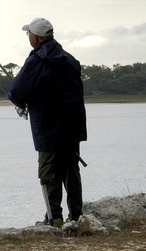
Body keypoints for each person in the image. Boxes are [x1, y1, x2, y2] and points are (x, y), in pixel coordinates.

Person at [8, 16, 87, 228]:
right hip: (72, 126)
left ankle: (54, 218)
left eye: (28, 34)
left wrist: (22, 102)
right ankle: (77, 216)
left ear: (36, 38)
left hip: (48, 126)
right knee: (71, 170)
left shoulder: (36, 61)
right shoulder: (70, 60)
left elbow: (16, 91)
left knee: (48, 172)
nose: (28, 37)